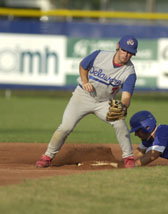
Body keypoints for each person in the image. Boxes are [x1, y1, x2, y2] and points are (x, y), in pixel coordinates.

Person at [36, 35, 138, 168]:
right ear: (118, 47)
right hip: (82, 96)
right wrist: (84, 81)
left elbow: (126, 96)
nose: (126, 54)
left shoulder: (129, 72)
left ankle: (128, 158)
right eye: (124, 50)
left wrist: (123, 106)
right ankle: (47, 156)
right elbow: (83, 66)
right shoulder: (100, 55)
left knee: (120, 123)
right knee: (66, 127)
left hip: (104, 102)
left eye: (130, 52)